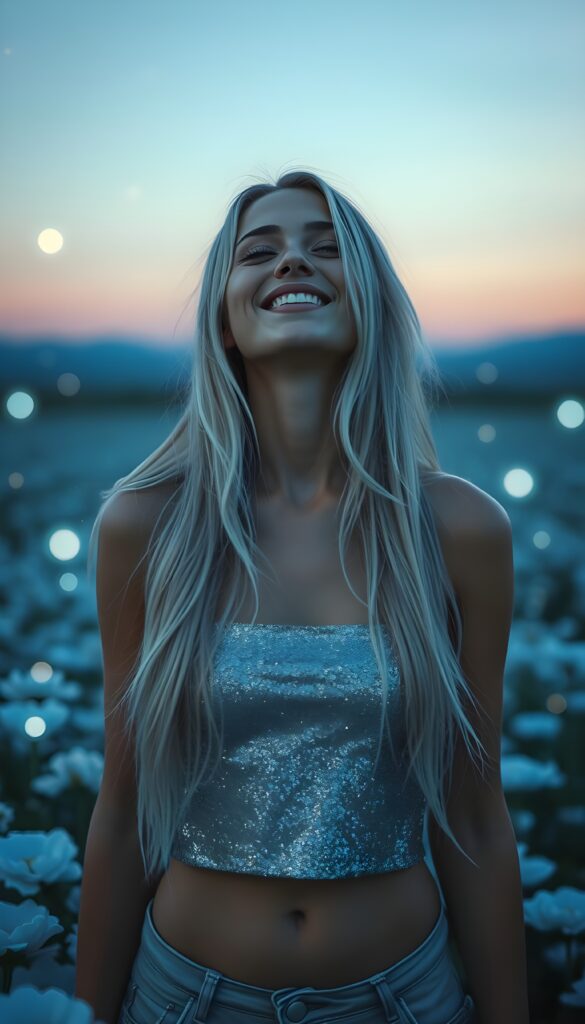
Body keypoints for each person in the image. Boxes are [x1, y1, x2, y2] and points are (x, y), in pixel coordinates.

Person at [74, 171, 530, 1024]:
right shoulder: (145, 525)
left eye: (326, 248)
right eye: (261, 250)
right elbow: (126, 804)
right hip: (184, 1000)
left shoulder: (462, 529)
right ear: (225, 317)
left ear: (373, 305)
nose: (294, 261)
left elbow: (473, 814)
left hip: (402, 1000)